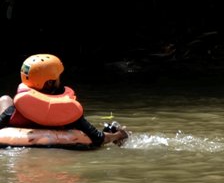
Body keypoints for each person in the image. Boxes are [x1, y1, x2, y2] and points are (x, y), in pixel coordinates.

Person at [0, 54, 129, 147]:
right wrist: (117, 135)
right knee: (5, 99)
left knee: (5, 99)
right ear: (50, 82)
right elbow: (98, 138)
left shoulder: (17, 108)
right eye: (58, 77)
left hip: (19, 132)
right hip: (63, 133)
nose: (59, 80)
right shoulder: (66, 110)